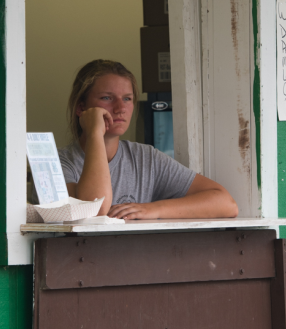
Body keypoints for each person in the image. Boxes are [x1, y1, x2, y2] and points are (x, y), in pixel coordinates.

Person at [60, 59, 238, 220]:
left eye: (127, 99)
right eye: (107, 98)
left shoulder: (146, 158)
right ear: (81, 107)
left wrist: (154, 209)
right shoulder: (60, 162)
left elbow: (226, 203)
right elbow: (94, 209)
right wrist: (94, 134)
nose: (120, 108)